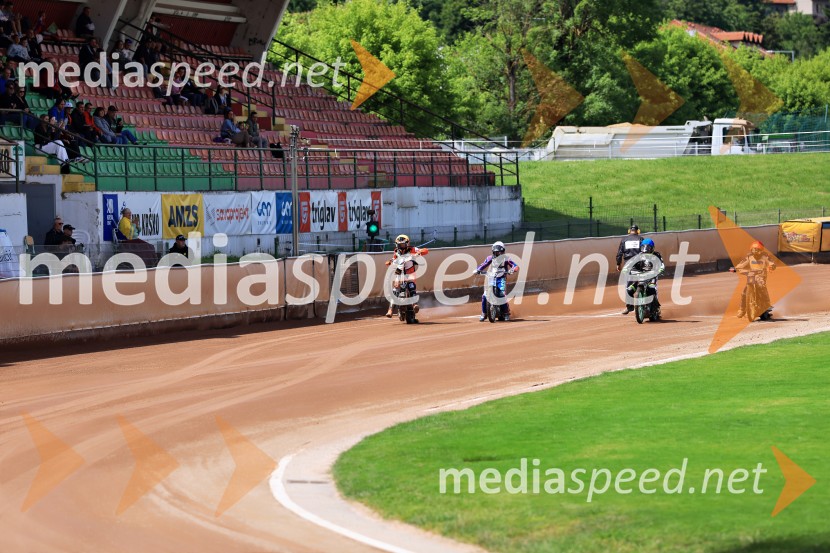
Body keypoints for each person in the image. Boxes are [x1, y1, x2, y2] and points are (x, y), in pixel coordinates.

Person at [384, 234, 429, 319]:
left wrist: (419, 252)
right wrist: (390, 262)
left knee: (411, 286)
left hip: (410, 273)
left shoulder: (412, 249)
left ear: (407, 243)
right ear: (396, 245)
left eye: (403, 244)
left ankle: (415, 304)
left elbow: (426, 250)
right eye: (399, 244)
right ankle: (390, 310)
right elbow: (394, 259)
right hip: (399, 273)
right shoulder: (396, 252)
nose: (401, 246)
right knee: (395, 289)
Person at [475, 241, 520, 321]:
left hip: (501, 278)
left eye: (499, 252)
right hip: (492, 278)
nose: (498, 254)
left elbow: (515, 266)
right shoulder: (490, 258)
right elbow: (483, 264)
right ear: (493, 252)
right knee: (485, 295)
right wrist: (478, 270)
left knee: (502, 294)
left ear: (503, 252)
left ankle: (506, 313)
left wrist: (512, 270)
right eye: (496, 252)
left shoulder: (506, 258)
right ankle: (484, 313)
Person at [733, 241, 776, 320]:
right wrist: (735, 268)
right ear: (751, 250)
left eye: (757, 249)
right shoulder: (749, 257)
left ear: (761, 250)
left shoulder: (765, 256)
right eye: (754, 249)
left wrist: (771, 266)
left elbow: (771, 263)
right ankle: (742, 309)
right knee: (744, 292)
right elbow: (741, 264)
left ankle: (767, 304)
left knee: (762, 286)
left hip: (761, 275)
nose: (755, 251)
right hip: (751, 275)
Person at [625, 238, 664, 316]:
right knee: (629, 290)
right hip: (640, 275)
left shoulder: (657, 255)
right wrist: (626, 269)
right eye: (644, 247)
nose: (646, 249)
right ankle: (630, 306)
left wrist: (660, 269)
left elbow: (662, 264)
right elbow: (631, 263)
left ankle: (655, 308)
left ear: (652, 248)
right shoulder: (639, 255)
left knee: (652, 289)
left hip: (651, 276)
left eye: (648, 247)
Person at [617, 224, 645, 314]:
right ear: (638, 231)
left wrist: (618, 264)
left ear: (629, 231)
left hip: (628, 264)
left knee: (628, 285)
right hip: (639, 264)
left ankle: (629, 306)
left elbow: (619, 253)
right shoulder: (641, 239)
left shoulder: (624, 240)